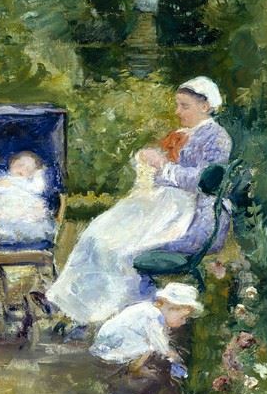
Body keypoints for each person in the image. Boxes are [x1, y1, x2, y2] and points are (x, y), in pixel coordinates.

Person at [34, 76, 232, 325]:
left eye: (184, 106)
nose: (177, 112)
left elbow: (205, 181)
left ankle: (113, 313)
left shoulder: (217, 137)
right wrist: (150, 162)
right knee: (95, 235)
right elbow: (165, 174)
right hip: (164, 204)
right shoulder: (183, 134)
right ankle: (66, 303)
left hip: (193, 215)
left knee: (118, 250)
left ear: (205, 106)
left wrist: (164, 167)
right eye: (178, 105)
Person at [89, 282, 204, 379]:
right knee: (149, 348)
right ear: (171, 309)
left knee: (147, 344)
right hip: (113, 344)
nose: (183, 322)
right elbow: (160, 344)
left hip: (110, 339)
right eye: (182, 317)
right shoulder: (153, 316)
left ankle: (134, 366)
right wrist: (174, 357)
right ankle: (134, 370)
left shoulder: (150, 310)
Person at [0, 151, 55, 248]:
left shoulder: (28, 184)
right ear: (12, 163)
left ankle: (17, 235)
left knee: (30, 218)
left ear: (32, 174)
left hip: (22, 208)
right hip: (2, 205)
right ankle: (0, 235)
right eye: (20, 165)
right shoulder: (1, 177)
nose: (22, 169)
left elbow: (39, 187)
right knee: (0, 220)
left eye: (28, 169)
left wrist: (39, 172)